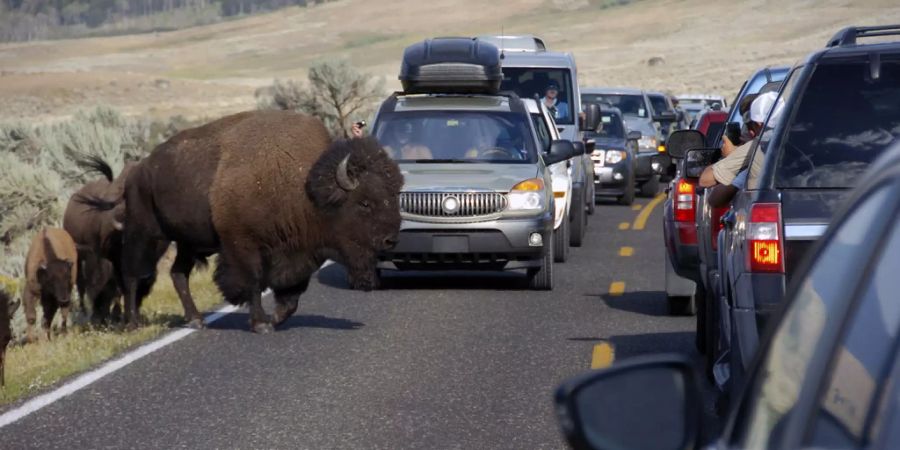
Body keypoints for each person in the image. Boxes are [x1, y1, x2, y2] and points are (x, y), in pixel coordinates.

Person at [699, 92, 780, 188]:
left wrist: (733, 154)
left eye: (750, 124)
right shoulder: (792, 140)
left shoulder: (756, 146)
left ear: (758, 123)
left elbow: (706, 180)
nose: (749, 131)